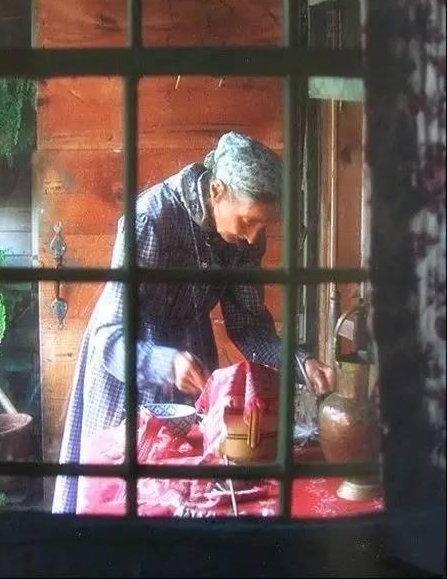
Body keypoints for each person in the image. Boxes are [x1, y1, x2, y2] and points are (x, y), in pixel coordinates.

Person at [52, 132, 335, 513]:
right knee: (120, 502)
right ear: (216, 191)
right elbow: (109, 334)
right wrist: (165, 363)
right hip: (126, 364)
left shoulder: (245, 241)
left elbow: (249, 326)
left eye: (263, 225)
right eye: (248, 221)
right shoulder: (151, 219)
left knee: (189, 499)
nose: (254, 236)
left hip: (192, 364)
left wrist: (300, 362)